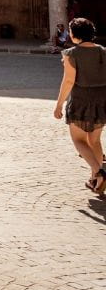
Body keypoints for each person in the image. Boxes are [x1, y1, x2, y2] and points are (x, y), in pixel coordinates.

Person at [53, 18, 106, 193]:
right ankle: (95, 180)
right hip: (101, 100)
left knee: (79, 140)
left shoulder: (71, 53)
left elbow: (68, 81)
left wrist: (59, 105)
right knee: (95, 140)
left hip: (81, 100)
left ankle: (99, 172)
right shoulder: (103, 51)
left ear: (74, 34)